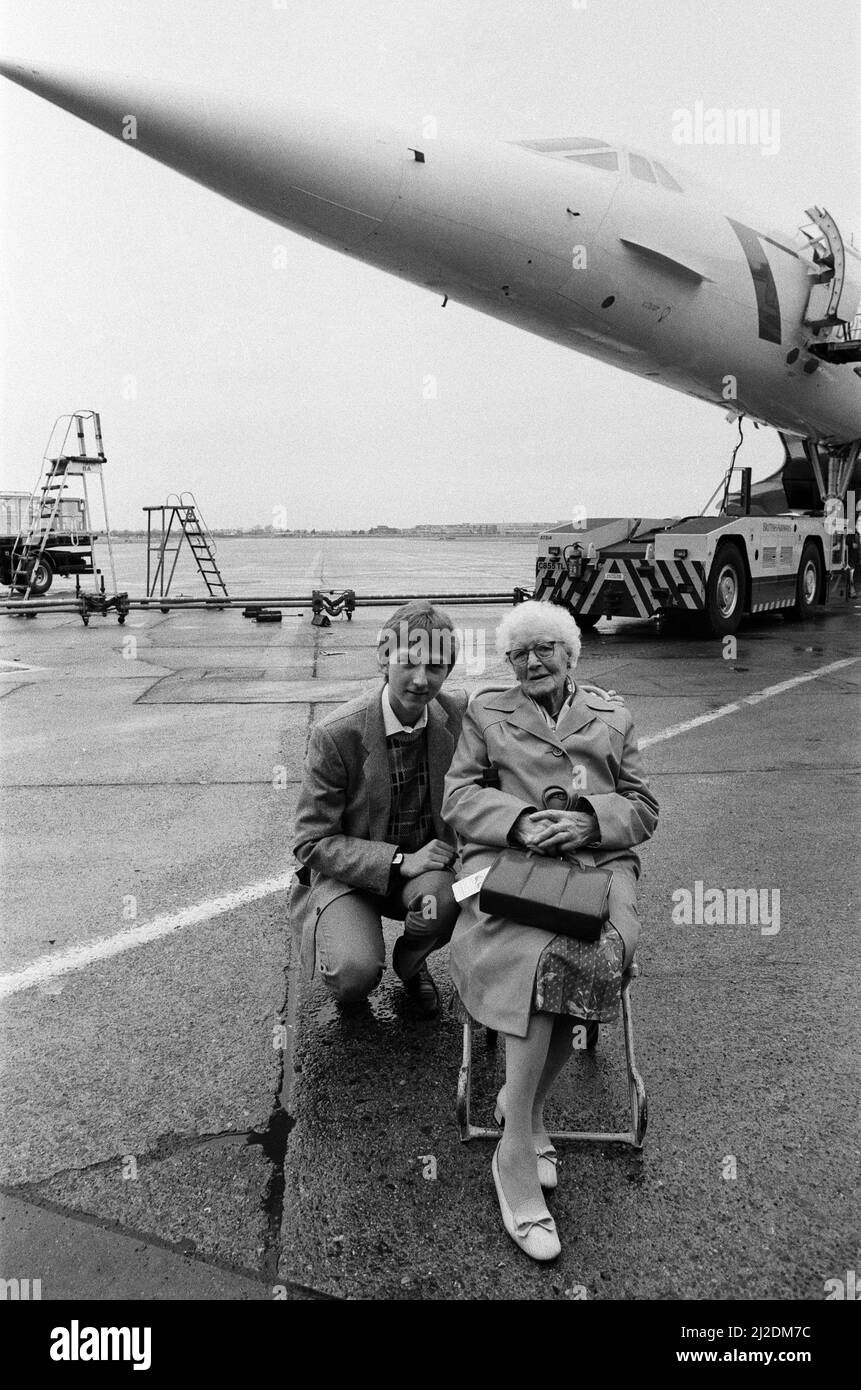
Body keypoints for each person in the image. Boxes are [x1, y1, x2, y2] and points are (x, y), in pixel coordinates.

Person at [442, 600, 658, 1260]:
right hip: (508, 865)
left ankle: (519, 1104)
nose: (532, 661)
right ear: (507, 664)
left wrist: (593, 819)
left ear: (570, 655)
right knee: (539, 955)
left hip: (596, 867)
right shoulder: (485, 711)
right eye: (519, 653)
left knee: (591, 951)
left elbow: (645, 807)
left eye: (545, 649)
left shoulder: (612, 714)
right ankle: (515, 1150)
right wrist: (518, 821)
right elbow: (457, 798)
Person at [289, 600, 465, 1018]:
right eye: (409, 662)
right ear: (384, 657)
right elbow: (311, 842)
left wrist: (586, 698)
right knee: (353, 975)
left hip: (423, 876)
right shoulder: (336, 734)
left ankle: (411, 962)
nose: (421, 680)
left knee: (451, 897)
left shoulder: (458, 716)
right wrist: (400, 860)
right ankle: (351, 945)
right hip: (352, 875)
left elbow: (515, 706)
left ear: (448, 672)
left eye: (436, 667)